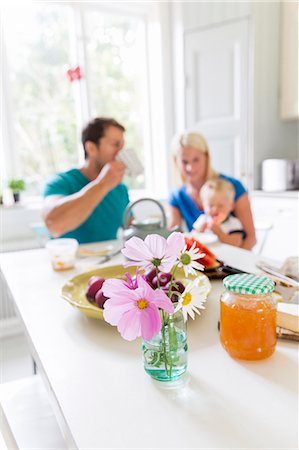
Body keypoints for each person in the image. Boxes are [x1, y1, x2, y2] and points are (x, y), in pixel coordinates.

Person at [42, 117, 129, 244]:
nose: (120, 153)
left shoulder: (120, 189)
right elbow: (54, 224)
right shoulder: (60, 182)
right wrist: (102, 185)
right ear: (91, 148)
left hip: (106, 262)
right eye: (115, 145)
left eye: (122, 146)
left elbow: (131, 228)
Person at [168, 132, 256, 250]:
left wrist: (236, 265)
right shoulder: (176, 196)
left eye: (196, 160)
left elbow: (251, 238)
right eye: (184, 162)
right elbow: (174, 240)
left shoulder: (234, 186)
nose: (190, 167)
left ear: (206, 157)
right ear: (176, 161)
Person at [192, 179, 245, 247]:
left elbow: (237, 243)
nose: (215, 209)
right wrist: (199, 232)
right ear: (203, 206)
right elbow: (191, 238)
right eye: (211, 205)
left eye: (220, 206)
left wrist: (219, 233)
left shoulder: (234, 223)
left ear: (231, 206)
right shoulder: (202, 220)